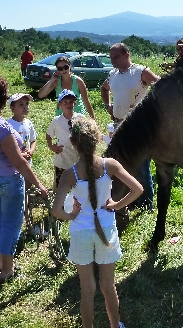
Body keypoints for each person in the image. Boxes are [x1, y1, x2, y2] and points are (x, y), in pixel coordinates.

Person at [51, 117, 143, 328]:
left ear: (73, 143)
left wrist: (72, 215)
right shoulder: (110, 165)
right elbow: (138, 189)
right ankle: (115, 325)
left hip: (80, 232)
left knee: (87, 288)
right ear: (98, 139)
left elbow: (56, 210)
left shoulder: (69, 174)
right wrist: (117, 205)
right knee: (108, 285)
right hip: (106, 228)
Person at [0, 75, 48, 283]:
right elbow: (19, 164)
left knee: (0, 218)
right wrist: (39, 184)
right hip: (9, 180)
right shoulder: (2, 128)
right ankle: (8, 270)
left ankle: (0, 261)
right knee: (12, 224)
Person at [100, 42, 159, 210]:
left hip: (138, 126)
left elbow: (160, 87)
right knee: (122, 164)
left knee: (141, 164)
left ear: (127, 55)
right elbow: (104, 89)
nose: (113, 61)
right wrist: (108, 105)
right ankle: (129, 200)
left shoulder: (140, 72)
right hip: (118, 124)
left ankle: (146, 202)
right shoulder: (113, 74)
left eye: (116, 57)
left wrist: (149, 109)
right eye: (111, 58)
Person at [46, 89, 85, 189]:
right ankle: (58, 196)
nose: (68, 104)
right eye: (65, 102)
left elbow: (86, 133)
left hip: (77, 156)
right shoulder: (56, 121)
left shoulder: (80, 118)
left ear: (75, 103)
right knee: (60, 185)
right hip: (62, 157)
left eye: (71, 102)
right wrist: (51, 146)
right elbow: (48, 134)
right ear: (60, 104)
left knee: (79, 184)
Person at [37, 55, 95, 120]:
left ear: (70, 66)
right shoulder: (56, 82)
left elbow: (86, 101)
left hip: (77, 116)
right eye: (60, 68)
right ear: (57, 70)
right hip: (61, 116)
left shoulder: (78, 81)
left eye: (66, 67)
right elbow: (40, 95)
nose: (63, 70)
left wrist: (93, 120)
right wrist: (51, 80)